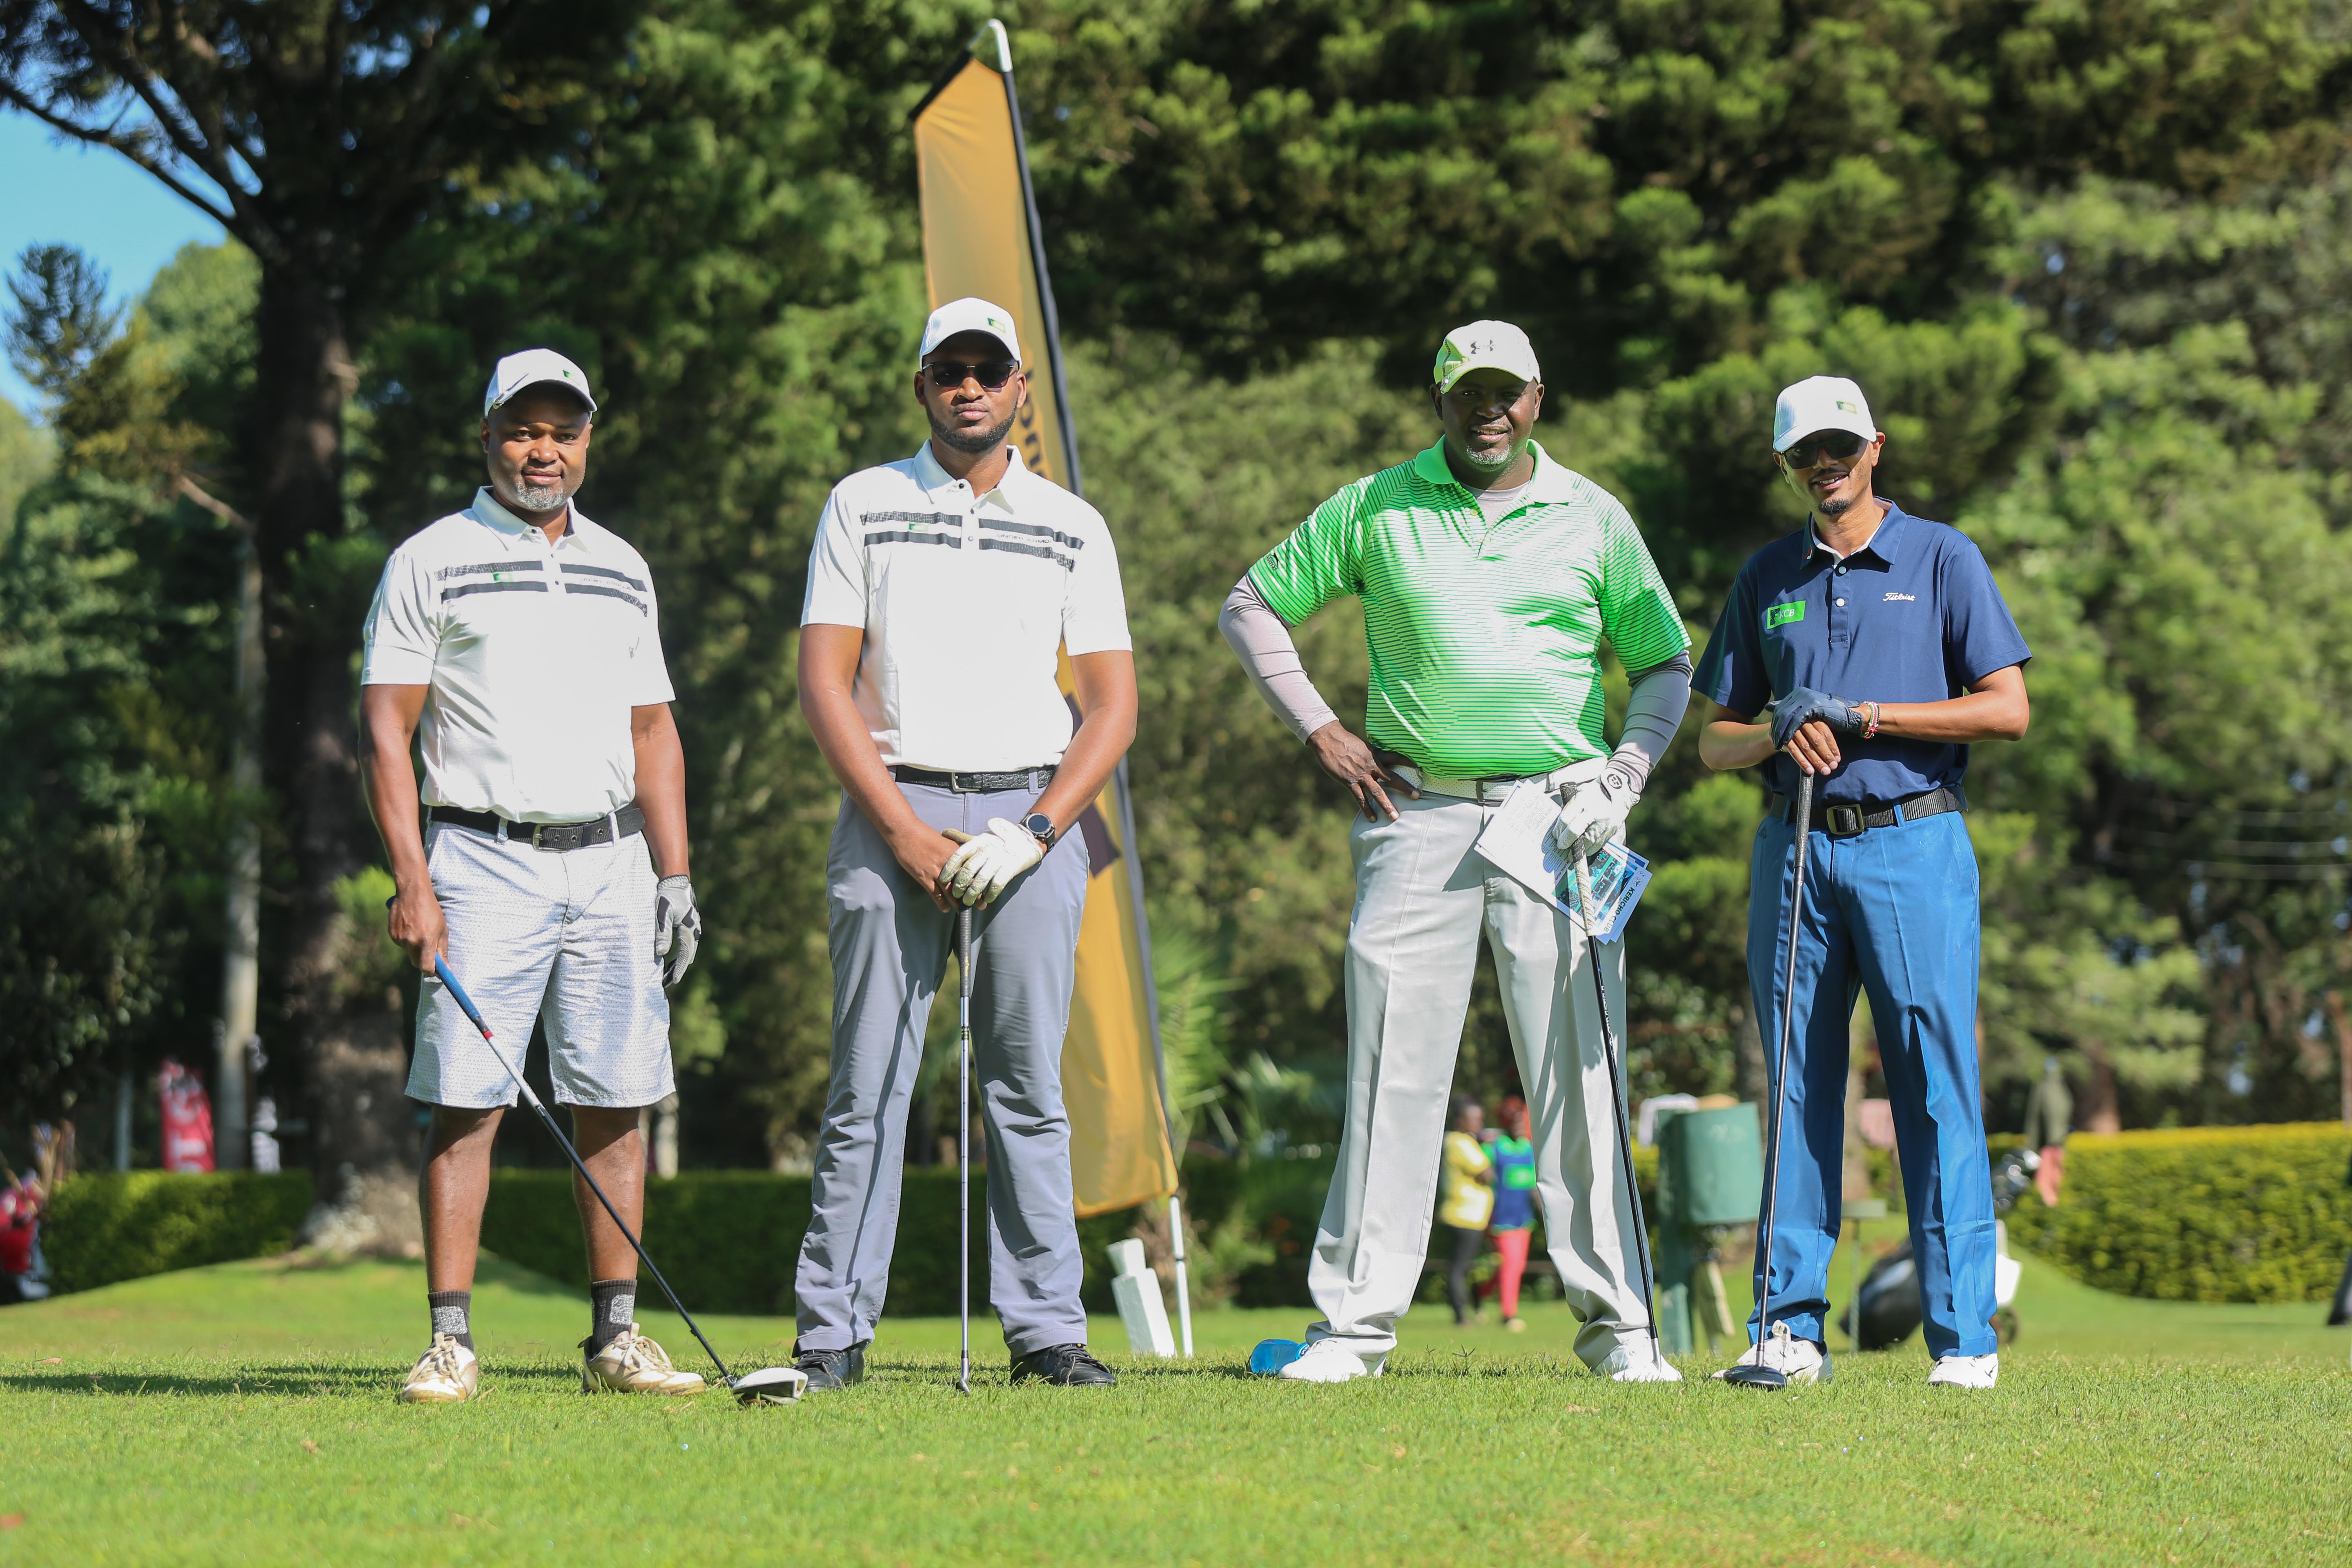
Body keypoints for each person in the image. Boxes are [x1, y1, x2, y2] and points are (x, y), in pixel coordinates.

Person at [1220, 320, 1692, 1384]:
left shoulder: (1593, 515)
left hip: (1562, 821)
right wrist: (1319, 728)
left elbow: (1665, 662)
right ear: (1440, 400)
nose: (1490, 409)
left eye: (1507, 391)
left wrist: (1626, 776)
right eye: (1469, 391)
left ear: (1538, 397)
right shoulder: (1376, 505)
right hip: (1416, 815)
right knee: (1389, 1074)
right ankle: (1354, 1331)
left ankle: (1622, 1331)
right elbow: (1250, 606)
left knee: (1581, 1075)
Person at [791, 297, 1138, 1390]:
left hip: (1032, 814)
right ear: (923, 386)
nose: (970, 387)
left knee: (1026, 1086)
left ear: (1020, 387)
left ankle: (1045, 1332)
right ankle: (831, 1332)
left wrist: (1036, 832)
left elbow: (1112, 706)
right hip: (890, 805)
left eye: (991, 369)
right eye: (951, 369)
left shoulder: (1072, 523)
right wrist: (900, 830)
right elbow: (824, 682)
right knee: (867, 1087)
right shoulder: (863, 502)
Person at [361, 349, 707, 1404]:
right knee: (466, 1105)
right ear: (488, 438)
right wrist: (412, 881)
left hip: (612, 863)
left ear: (588, 442)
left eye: (562, 431)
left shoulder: (623, 566)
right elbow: (386, 730)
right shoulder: (431, 559)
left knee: (617, 1100)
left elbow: (653, 732)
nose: (542, 450)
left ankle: (616, 1339)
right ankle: (450, 1345)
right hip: (480, 860)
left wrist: (676, 876)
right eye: (522, 430)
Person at [1693, 374, 2031, 1391]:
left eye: (1839, 447)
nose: (1824, 465)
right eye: (1804, 453)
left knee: (1932, 1082)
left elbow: (2005, 708)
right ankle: (1787, 1330)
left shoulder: (1941, 557)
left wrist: (1868, 716)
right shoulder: (1766, 575)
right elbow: (1713, 741)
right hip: (1794, 849)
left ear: (1873, 446)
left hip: (1912, 843)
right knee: (1795, 1081)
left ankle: (1962, 1338)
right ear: (1785, 464)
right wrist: (1776, 729)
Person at [1437, 1097, 1493, 1326]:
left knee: (1465, 1266)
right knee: (1460, 1267)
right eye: (1475, 1119)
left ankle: (1469, 1310)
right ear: (1460, 1121)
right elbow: (1487, 1173)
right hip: (1464, 1215)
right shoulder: (1460, 1142)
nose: (1480, 1124)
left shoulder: (1456, 1142)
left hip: (1467, 1215)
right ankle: (1461, 1316)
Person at [1485, 1095, 1539, 1330]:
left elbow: (1533, 1185)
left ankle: (1480, 1293)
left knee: (1516, 1266)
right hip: (1501, 1217)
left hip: (1523, 1218)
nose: (1520, 1126)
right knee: (1511, 1265)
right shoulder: (1495, 1147)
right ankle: (1509, 1314)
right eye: (1516, 1121)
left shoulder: (1528, 1149)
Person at [2021, 1056, 2072, 1208]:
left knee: (2053, 1173)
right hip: (2050, 1142)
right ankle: (2049, 1201)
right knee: (2049, 1174)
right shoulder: (2050, 1086)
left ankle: (2051, 1201)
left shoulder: (2052, 1086)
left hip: (2053, 1142)